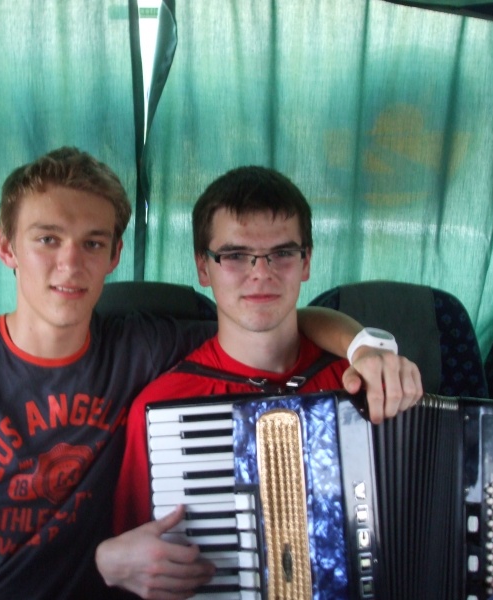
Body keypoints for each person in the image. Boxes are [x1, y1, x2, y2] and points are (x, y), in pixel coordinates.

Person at [0, 148, 421, 600]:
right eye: (47, 239)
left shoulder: (145, 346)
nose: (71, 263)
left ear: (115, 254)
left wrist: (365, 346)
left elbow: (269, 314)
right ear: (6, 247)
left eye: (92, 242)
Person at [96, 166, 423, 598]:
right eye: (234, 255)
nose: (261, 273)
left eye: (282, 253)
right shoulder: (162, 408)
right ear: (203, 267)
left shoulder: (364, 383)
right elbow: (138, 569)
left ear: (306, 262)